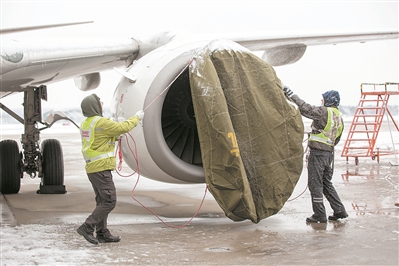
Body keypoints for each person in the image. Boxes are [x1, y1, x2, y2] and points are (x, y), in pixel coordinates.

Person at [77, 94, 144, 244]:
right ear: (94, 106)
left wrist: (113, 138)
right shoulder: (101, 122)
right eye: (99, 101)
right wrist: (137, 117)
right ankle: (87, 227)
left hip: (92, 168)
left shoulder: (87, 123)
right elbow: (123, 127)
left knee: (102, 200)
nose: (102, 103)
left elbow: (98, 140)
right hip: (101, 168)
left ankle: (102, 233)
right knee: (109, 201)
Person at [283, 85, 348, 223]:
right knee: (326, 183)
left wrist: (291, 94)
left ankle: (319, 215)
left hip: (318, 155)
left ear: (329, 101)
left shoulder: (323, 112)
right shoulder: (339, 117)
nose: (321, 102)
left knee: (315, 185)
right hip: (328, 155)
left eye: (323, 100)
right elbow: (336, 139)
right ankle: (339, 210)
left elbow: (305, 108)